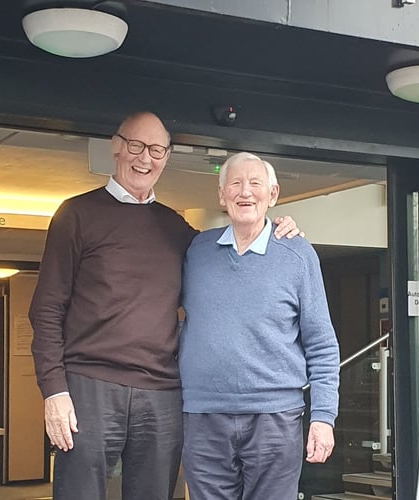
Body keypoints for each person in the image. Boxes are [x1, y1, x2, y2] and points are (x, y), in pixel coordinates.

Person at [28, 112, 301, 500]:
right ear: (116, 147)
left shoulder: (178, 231)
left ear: (167, 156)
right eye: (136, 145)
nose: (145, 158)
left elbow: (236, 247)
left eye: (156, 149)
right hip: (90, 385)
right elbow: (46, 310)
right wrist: (54, 391)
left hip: (162, 392)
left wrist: (276, 228)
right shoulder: (76, 214)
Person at [179, 152, 340, 500]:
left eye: (255, 183)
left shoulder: (297, 254)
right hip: (204, 415)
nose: (245, 192)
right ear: (221, 195)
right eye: (235, 183)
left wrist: (324, 417)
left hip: (275, 418)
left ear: (273, 194)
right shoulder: (197, 251)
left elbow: (322, 344)